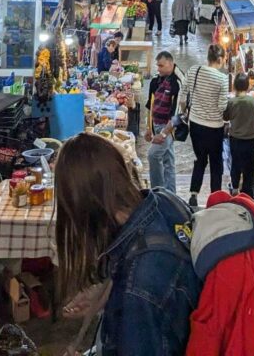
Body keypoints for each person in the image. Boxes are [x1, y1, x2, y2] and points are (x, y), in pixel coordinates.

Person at [55, 134, 200, 356]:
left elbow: (144, 294)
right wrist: (105, 293)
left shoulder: (137, 288)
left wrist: (123, 293)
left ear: (83, 208)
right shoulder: (163, 200)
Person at [185, 43, 228, 209]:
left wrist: (189, 109)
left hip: (195, 124)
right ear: (219, 59)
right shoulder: (222, 79)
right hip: (214, 128)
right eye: (224, 59)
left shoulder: (194, 70)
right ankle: (215, 197)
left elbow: (184, 94)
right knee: (216, 163)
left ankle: (193, 194)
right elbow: (222, 106)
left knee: (200, 159)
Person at [145, 51, 185, 193]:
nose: (159, 69)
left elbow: (177, 115)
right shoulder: (157, 80)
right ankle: (170, 194)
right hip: (157, 125)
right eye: (158, 66)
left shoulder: (178, 82)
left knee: (153, 155)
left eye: (161, 66)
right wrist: (148, 128)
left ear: (170, 63)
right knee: (169, 161)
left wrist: (163, 134)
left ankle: (157, 192)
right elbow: (150, 104)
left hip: (169, 128)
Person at [224, 72, 254, 197]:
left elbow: (225, 117)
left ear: (235, 86)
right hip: (251, 140)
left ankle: (235, 189)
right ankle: (247, 192)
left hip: (235, 139)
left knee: (235, 164)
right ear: (247, 86)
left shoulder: (231, 102)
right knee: (250, 167)